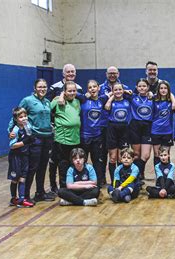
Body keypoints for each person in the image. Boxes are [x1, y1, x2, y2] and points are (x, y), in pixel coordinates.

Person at [8, 79, 55, 203]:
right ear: (34, 88)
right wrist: (10, 131)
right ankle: (26, 195)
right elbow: (15, 116)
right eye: (40, 87)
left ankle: (40, 192)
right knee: (33, 167)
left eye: (44, 87)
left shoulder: (47, 102)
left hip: (47, 138)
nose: (42, 89)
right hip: (35, 138)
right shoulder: (27, 100)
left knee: (43, 166)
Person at [47, 64, 83, 194]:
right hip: (61, 139)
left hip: (75, 138)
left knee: (72, 164)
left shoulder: (77, 101)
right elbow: (46, 111)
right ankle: (61, 189)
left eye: (74, 91)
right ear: (64, 91)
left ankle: (71, 187)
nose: (72, 93)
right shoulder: (57, 99)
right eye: (69, 91)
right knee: (61, 165)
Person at [98, 66, 129, 185]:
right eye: (110, 73)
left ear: (118, 74)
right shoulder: (101, 88)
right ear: (106, 74)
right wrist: (110, 98)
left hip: (122, 127)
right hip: (104, 125)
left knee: (121, 156)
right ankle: (104, 179)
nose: (112, 75)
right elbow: (99, 101)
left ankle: (121, 179)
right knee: (105, 155)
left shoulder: (125, 89)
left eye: (114, 73)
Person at [77, 80, 109, 186]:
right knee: (83, 160)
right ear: (87, 89)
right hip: (84, 136)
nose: (92, 89)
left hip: (97, 136)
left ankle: (98, 182)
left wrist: (110, 100)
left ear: (98, 88)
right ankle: (82, 180)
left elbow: (114, 92)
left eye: (94, 87)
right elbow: (70, 93)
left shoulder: (102, 99)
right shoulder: (83, 99)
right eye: (90, 87)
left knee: (97, 161)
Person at [7, 107, 34, 208]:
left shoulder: (27, 125)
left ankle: (22, 199)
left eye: (25, 116)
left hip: (25, 155)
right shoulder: (16, 130)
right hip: (16, 157)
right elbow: (12, 145)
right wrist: (25, 142)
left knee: (23, 178)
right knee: (15, 178)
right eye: (21, 117)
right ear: (16, 119)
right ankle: (14, 198)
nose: (24, 119)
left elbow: (31, 134)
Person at [128, 78, 154, 181]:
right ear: (136, 87)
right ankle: (137, 176)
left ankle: (138, 172)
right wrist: (126, 91)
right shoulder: (132, 97)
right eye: (140, 86)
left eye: (144, 86)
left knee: (146, 155)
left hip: (148, 126)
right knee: (137, 154)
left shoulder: (153, 98)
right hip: (135, 126)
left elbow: (168, 95)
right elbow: (117, 91)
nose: (142, 88)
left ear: (148, 87)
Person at [104, 83, 131, 182]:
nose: (118, 91)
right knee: (113, 158)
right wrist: (111, 98)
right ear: (112, 91)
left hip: (124, 130)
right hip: (112, 130)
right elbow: (106, 107)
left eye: (120, 89)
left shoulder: (128, 100)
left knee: (121, 158)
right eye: (116, 90)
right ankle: (113, 180)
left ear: (123, 90)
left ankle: (121, 180)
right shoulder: (110, 102)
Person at [151, 80, 175, 166]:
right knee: (157, 154)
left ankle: (167, 175)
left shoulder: (171, 101)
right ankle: (159, 176)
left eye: (165, 88)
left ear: (168, 90)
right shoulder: (154, 100)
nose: (163, 90)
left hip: (167, 132)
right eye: (161, 88)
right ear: (158, 89)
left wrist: (173, 100)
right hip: (155, 131)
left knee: (166, 154)